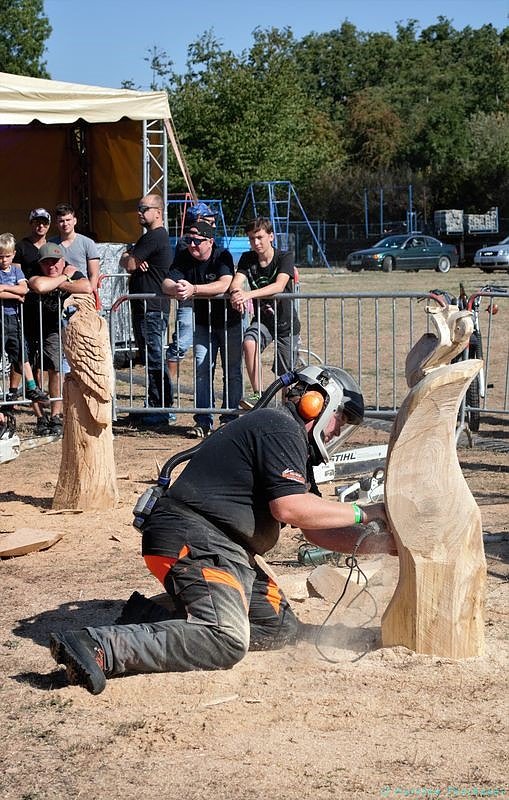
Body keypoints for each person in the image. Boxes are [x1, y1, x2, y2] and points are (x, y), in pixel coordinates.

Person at [48, 365, 394, 695]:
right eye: (340, 419)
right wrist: (366, 512)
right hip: (194, 538)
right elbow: (289, 508)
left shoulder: (291, 445)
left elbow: (316, 530)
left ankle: (152, 619)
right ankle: (99, 645)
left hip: (225, 549)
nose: (337, 431)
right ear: (316, 402)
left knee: (277, 629)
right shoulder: (279, 427)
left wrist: (384, 544)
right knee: (227, 638)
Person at [162, 219, 243, 438]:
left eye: (196, 241)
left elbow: (225, 283)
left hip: (229, 322)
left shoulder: (222, 255)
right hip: (203, 324)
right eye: (188, 240)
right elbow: (166, 282)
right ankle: (203, 420)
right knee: (202, 370)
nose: (192, 245)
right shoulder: (184, 256)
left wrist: (194, 288)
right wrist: (178, 288)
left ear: (210, 241)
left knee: (232, 371)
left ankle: (230, 420)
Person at [229, 217, 300, 408]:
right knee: (249, 342)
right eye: (251, 239)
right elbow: (236, 282)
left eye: (260, 237)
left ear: (271, 236)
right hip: (262, 320)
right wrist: (236, 293)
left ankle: (289, 410)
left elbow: (279, 285)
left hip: (286, 323)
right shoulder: (247, 258)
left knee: (287, 374)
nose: (256, 243)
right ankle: (258, 395)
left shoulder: (285, 257)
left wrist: (247, 294)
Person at [119, 194, 175, 425]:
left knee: (154, 359)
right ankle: (154, 406)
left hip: (152, 307)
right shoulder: (148, 239)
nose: (139, 213)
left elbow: (130, 263)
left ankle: (161, 409)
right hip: (144, 307)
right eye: (138, 208)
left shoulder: (155, 236)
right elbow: (128, 260)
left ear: (158, 212)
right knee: (150, 357)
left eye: (144, 209)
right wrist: (129, 255)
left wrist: (130, 256)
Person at [28, 242, 92, 435]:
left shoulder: (71, 270)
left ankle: (55, 416)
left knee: (55, 370)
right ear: (40, 264)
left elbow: (87, 286)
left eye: (55, 262)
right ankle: (40, 417)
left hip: (54, 329)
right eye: (47, 263)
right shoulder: (34, 270)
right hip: (30, 326)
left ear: (63, 261)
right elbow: (39, 285)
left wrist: (56, 282)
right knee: (33, 372)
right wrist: (65, 278)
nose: (52, 267)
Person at [167, 202, 217, 388]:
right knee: (181, 343)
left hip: (207, 300)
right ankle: (168, 389)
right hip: (189, 300)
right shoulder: (185, 243)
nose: (212, 223)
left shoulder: (209, 238)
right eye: (208, 220)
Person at [0, 232, 49, 407]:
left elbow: (24, 289)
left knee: (22, 354)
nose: (4, 260)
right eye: (0, 257)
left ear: (13, 255)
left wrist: (5, 289)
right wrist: (13, 293)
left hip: (13, 318)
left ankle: (31, 386)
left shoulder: (16, 270)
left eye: (7, 256)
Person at [9, 208, 52, 401]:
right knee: (20, 351)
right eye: (36, 222)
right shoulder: (22, 247)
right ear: (31, 223)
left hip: (47, 307)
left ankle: (37, 391)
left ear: (49, 225)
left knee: (42, 355)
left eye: (44, 222)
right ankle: (13, 392)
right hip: (23, 306)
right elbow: (13, 275)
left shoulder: (52, 246)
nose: (40, 225)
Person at [51, 203, 100, 293]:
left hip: (81, 292)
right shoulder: (50, 244)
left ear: (75, 221)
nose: (65, 224)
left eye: (68, 220)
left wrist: (91, 293)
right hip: (56, 295)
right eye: (61, 221)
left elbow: (94, 274)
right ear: (56, 224)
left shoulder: (88, 243)